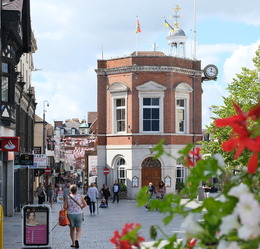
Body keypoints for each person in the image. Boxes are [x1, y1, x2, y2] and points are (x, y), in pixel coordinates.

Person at [64, 184, 87, 248]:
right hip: (79, 214)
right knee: (78, 229)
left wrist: (68, 207)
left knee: (72, 229)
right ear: (76, 190)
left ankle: (73, 243)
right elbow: (85, 204)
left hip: (70, 214)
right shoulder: (80, 196)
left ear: (70, 190)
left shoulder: (67, 197)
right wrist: (81, 207)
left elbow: (65, 207)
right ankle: (77, 239)